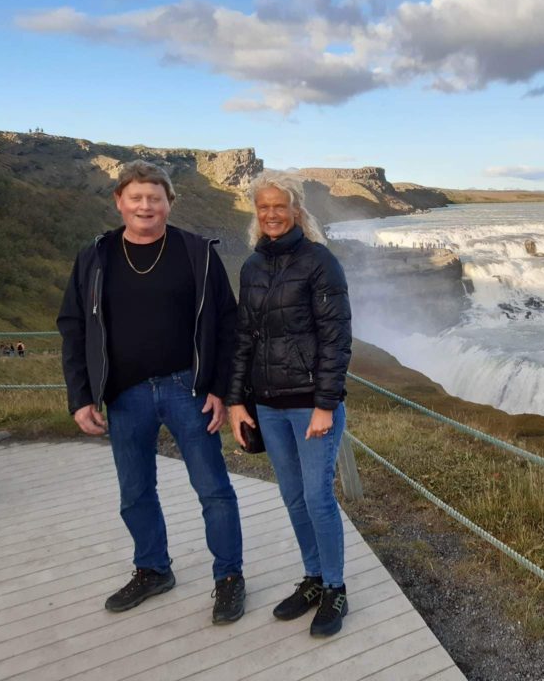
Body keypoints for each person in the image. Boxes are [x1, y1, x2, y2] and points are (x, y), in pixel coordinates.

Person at [57, 159, 245, 623]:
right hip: (125, 394)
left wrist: (220, 389)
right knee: (135, 491)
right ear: (119, 201)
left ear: (168, 203)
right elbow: (74, 325)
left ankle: (229, 578)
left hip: (189, 388)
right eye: (136, 197)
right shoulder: (95, 256)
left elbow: (228, 322)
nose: (146, 206)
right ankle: (153, 569)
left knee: (213, 489)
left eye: (154, 198)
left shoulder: (197, 253)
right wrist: (81, 396)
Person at [226, 172, 352, 638]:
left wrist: (326, 404)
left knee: (318, 497)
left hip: (309, 406)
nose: (272, 215)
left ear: (296, 210)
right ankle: (314, 579)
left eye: (280, 206)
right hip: (268, 407)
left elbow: (336, 339)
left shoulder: (320, 262)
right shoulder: (252, 267)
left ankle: (336, 588)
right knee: (293, 496)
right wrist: (238, 401)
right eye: (263, 208)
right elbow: (243, 339)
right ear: (256, 213)